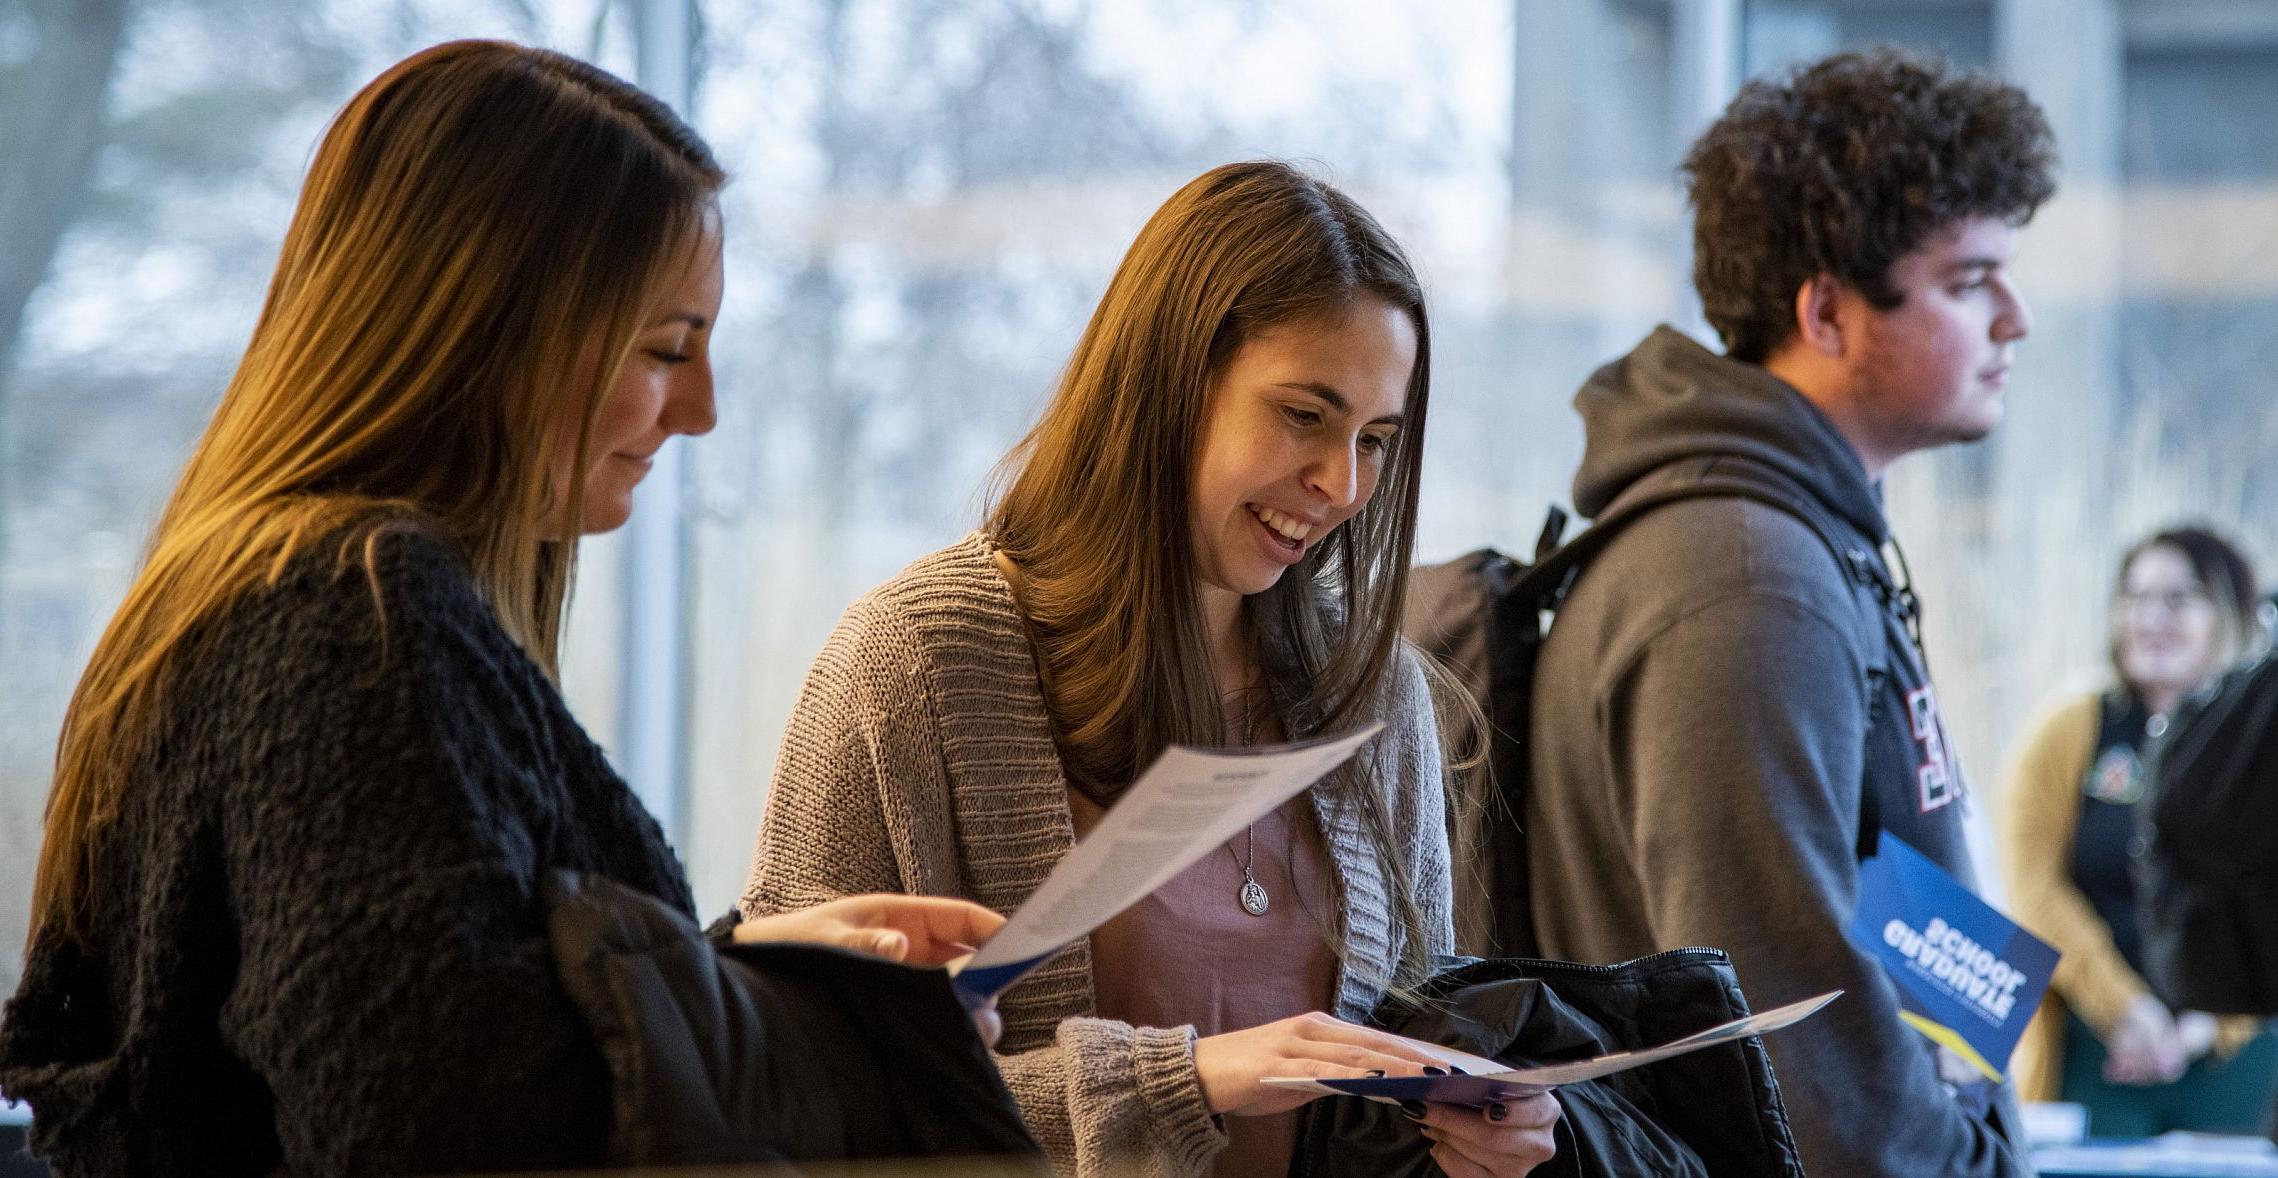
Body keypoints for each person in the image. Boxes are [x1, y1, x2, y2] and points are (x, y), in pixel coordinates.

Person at [0, 40, 1010, 1174]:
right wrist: (846, 1038)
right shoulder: (352, 617)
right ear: (491, 329)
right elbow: (450, 1116)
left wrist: (749, 971)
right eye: (665, 348)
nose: (703, 411)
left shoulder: (287, 595)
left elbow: (462, 1011)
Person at [742, 161, 1560, 1178]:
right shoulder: (911, 662)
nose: (1342, 483)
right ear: (1169, 384)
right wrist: (1182, 1081)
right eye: (1304, 415)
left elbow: (1401, 1064)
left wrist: (1470, 1125)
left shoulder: (1376, 692)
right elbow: (789, 1082)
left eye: (1375, 440)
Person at [1521, 49, 2056, 1175]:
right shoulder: (1746, 583)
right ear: (1826, 312)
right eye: (1967, 282)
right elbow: (1792, 1049)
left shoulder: (1795, 543)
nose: (2014, 318)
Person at [2003, 526, 2278, 1135]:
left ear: (2229, 613)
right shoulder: (2069, 729)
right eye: (2134, 598)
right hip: (2097, 1050)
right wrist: (2126, 1009)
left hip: (2231, 1059)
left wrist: (2208, 1022)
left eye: (2178, 599)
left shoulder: (2260, 745)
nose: (2150, 617)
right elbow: (2033, 888)